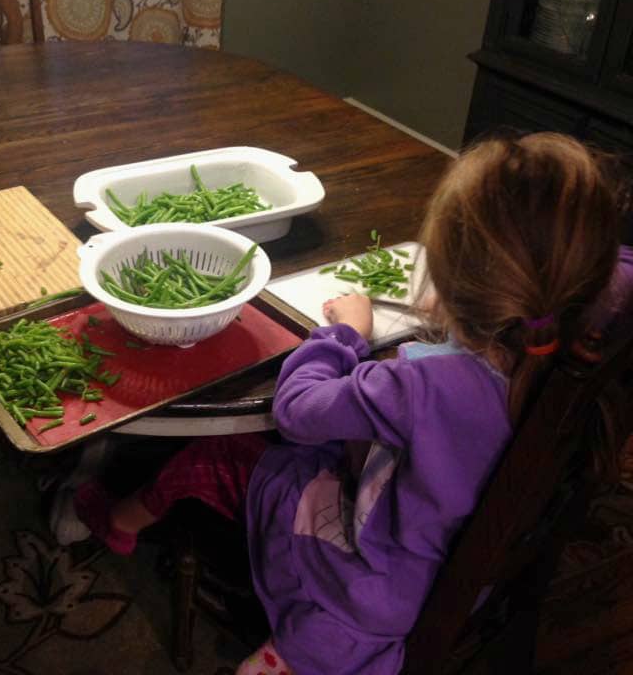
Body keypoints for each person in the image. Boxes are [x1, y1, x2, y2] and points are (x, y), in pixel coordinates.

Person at [74, 133, 633, 674]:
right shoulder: (579, 326)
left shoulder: (430, 386)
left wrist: (347, 335)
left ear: (452, 279)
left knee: (222, 452)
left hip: (370, 598)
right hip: (471, 568)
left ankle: (120, 521)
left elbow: (296, 410)